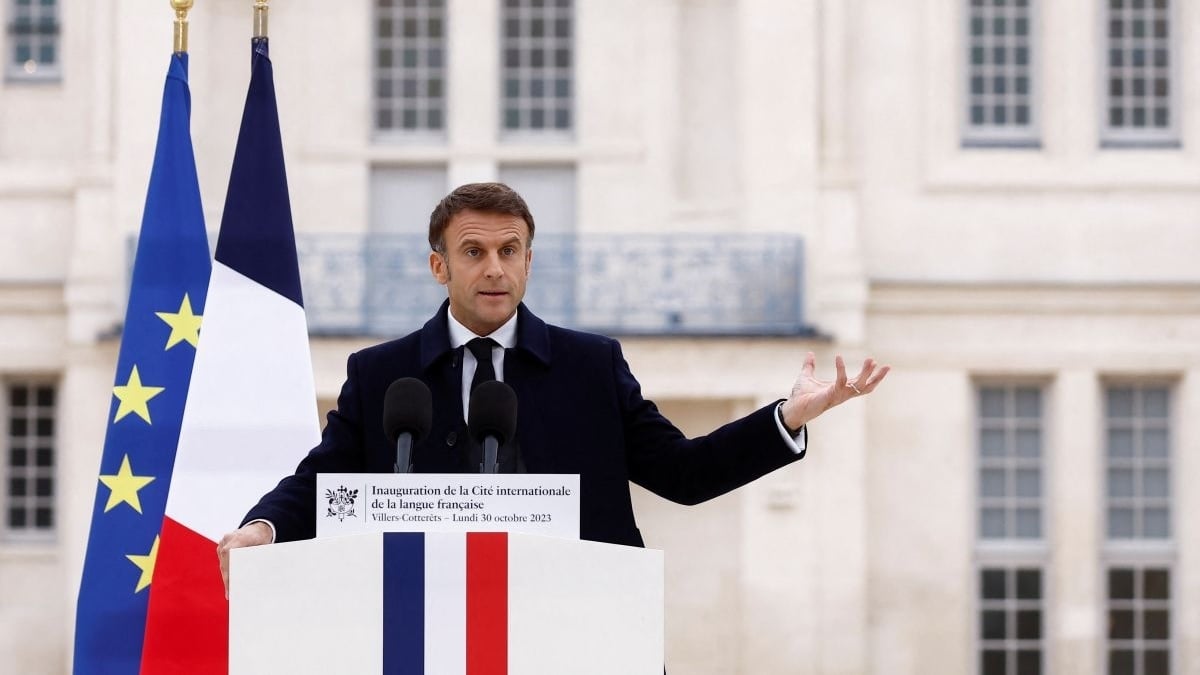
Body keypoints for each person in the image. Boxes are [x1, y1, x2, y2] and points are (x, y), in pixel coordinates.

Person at [217, 182, 888, 590]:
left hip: (582, 632)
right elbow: (322, 481)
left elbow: (684, 472)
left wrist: (787, 418)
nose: (494, 268)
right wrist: (262, 528)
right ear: (438, 265)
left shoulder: (591, 367)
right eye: (474, 251)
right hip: (427, 634)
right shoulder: (382, 375)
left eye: (510, 251)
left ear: (529, 261)